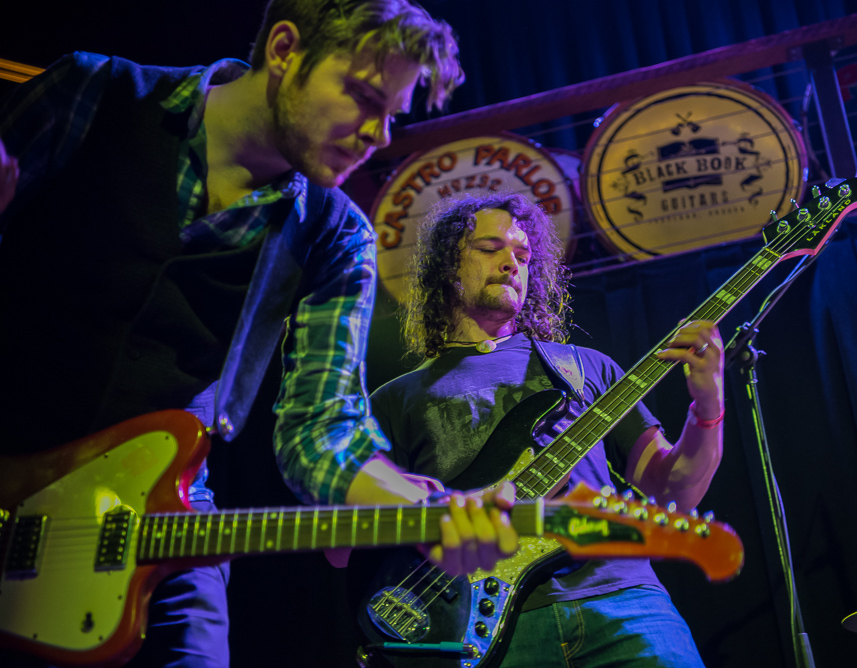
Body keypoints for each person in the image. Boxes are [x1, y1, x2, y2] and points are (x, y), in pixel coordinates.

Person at [0, 2, 516, 666]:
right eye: (362, 96)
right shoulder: (94, 90)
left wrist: (429, 511)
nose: (380, 134)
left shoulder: (335, 235)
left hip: (160, 520)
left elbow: (321, 432)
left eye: (392, 112)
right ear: (282, 50)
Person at [366, 191, 725, 667]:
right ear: (448, 265)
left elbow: (675, 491)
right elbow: (346, 546)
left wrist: (708, 402)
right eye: (490, 248)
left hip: (624, 603)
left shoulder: (585, 368)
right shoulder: (395, 399)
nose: (511, 263)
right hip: (490, 627)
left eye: (522, 254)